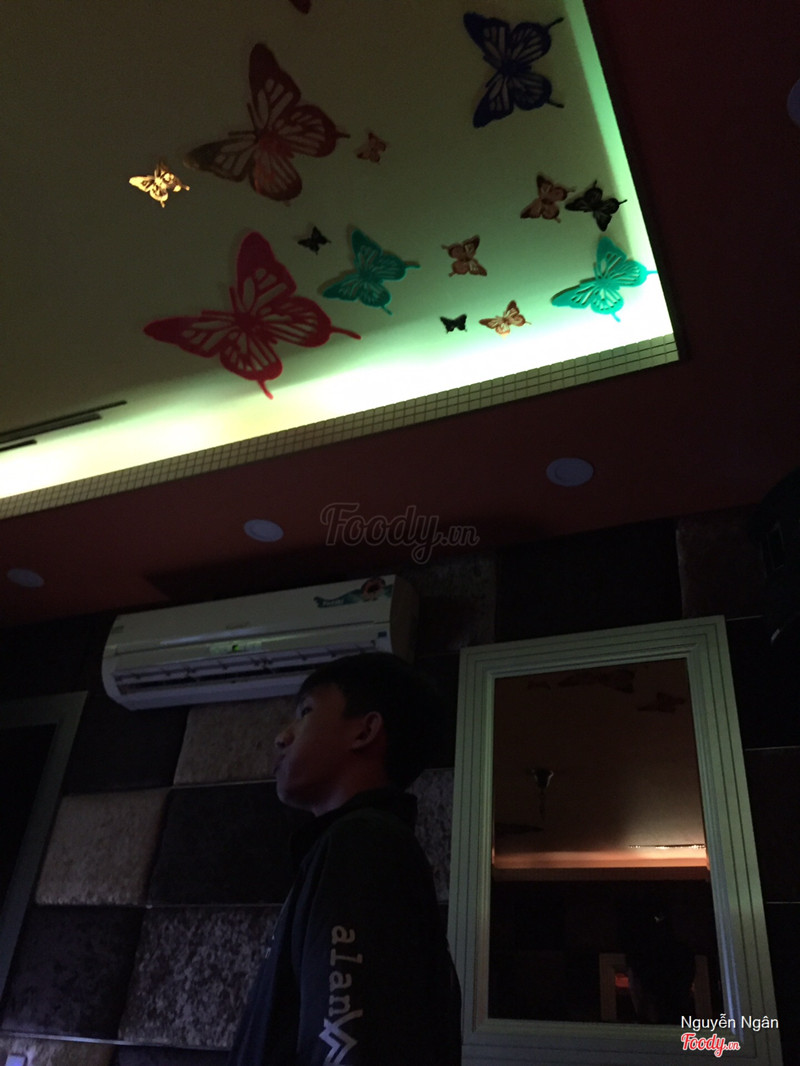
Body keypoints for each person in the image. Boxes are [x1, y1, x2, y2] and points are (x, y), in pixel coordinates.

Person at [227, 652, 462, 1066]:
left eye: (305, 712)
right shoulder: (359, 844)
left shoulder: (363, 844)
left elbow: (351, 1044)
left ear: (365, 731)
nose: (282, 737)